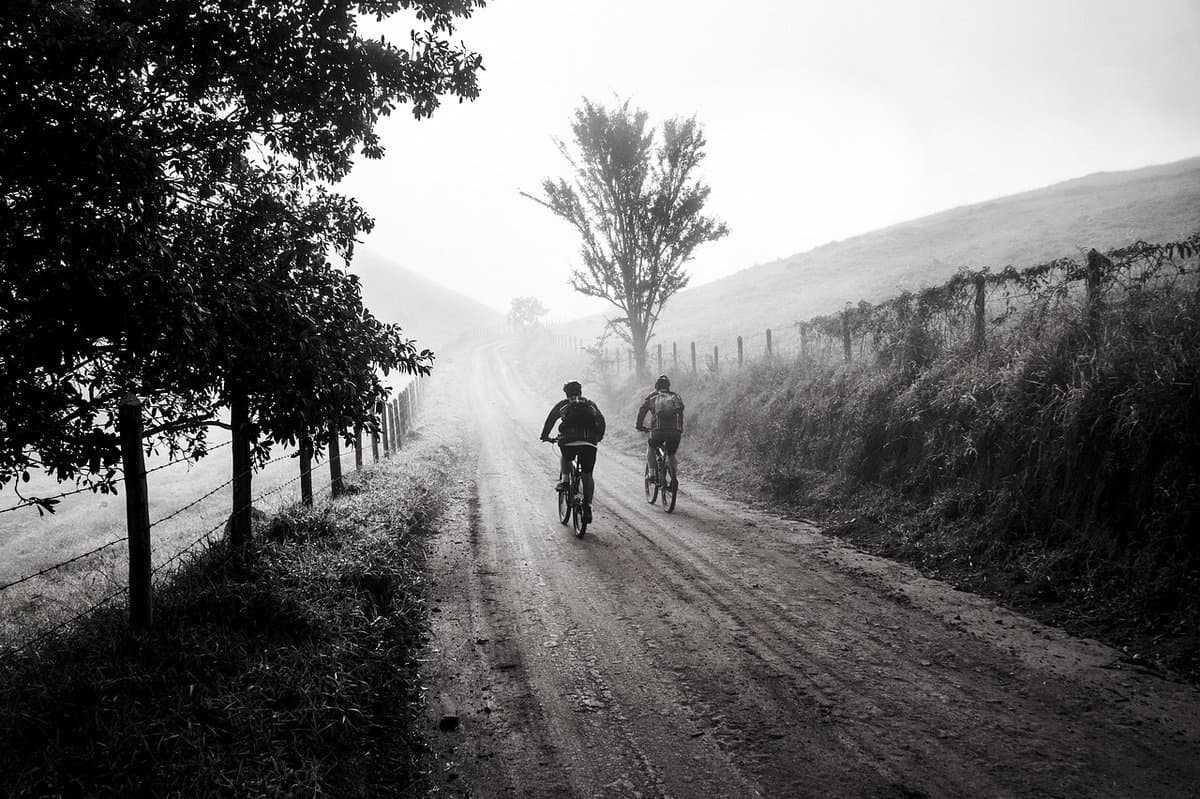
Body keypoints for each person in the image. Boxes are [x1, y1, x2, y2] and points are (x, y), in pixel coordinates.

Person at [539, 380, 606, 523]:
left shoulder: (563, 404)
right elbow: (601, 421)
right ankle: (587, 506)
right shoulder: (590, 404)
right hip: (589, 442)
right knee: (587, 474)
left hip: (569, 441)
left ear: (566, 393)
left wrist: (545, 436)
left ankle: (565, 480)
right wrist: (598, 437)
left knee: (565, 456)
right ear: (580, 391)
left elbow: (550, 420)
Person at [635, 374, 684, 490]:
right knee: (671, 454)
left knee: (651, 446)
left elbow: (642, 410)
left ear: (656, 386)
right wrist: (679, 428)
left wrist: (639, 426)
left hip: (658, 431)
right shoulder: (675, 397)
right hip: (675, 432)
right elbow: (680, 412)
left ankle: (652, 473)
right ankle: (673, 478)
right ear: (668, 386)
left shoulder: (653, 397)